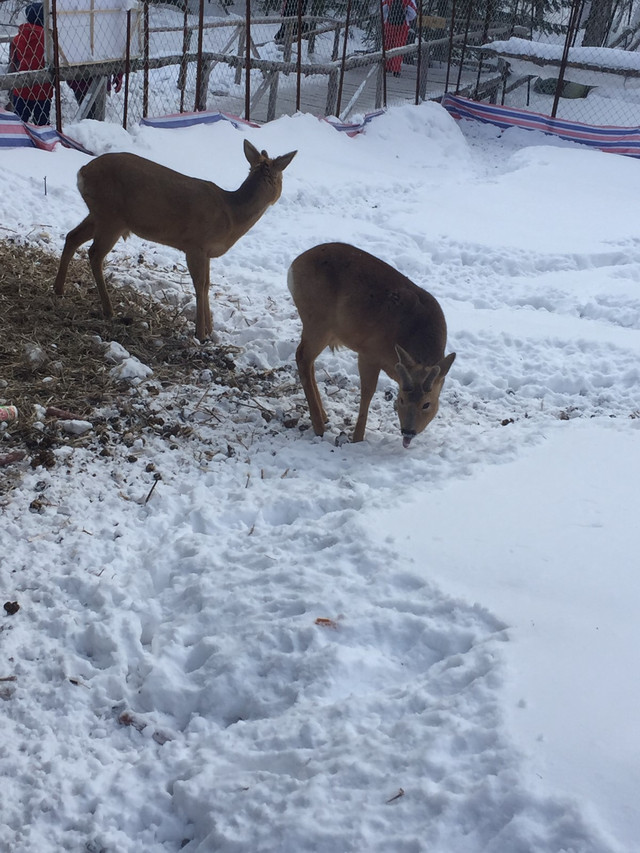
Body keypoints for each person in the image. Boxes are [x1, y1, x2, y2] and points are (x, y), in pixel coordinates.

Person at [9, 2, 53, 126]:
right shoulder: (48, 38)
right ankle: (42, 144)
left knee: (19, 123)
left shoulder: (18, 39)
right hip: (43, 89)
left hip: (21, 88)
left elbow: (13, 64)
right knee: (42, 123)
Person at [382, 0, 417, 77]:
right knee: (399, 46)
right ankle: (396, 69)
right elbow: (413, 14)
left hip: (389, 24)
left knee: (388, 44)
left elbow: (382, 10)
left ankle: (387, 66)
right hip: (403, 25)